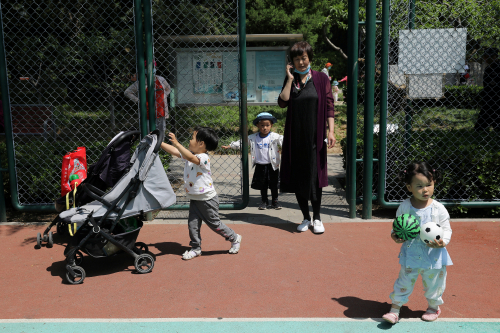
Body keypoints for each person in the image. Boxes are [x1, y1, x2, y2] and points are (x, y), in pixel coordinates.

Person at [382, 161, 453, 325]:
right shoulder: (405, 207)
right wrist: (395, 236)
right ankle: (394, 310)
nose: (425, 189)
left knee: (434, 285)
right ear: (409, 188)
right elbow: (398, 226)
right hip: (411, 254)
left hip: (434, 257)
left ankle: (433, 307)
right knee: (403, 282)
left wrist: (443, 242)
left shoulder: (439, 209)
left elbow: (447, 229)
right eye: (419, 186)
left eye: (429, 184)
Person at [278, 41, 335, 234]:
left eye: (304, 58)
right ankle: (305, 217)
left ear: (310, 57)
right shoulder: (292, 80)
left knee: (315, 178)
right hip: (295, 138)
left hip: (315, 137)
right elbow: (282, 102)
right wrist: (288, 78)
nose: (301, 62)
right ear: (292, 62)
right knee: (299, 176)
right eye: (297, 59)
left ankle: (317, 218)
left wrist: (331, 131)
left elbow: (329, 106)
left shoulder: (320, 79)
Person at [160, 126, 242, 260]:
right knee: (192, 225)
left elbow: (191, 158)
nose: (190, 140)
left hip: (207, 200)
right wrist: (159, 143)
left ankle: (234, 237)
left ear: (201, 143)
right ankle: (196, 248)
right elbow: (175, 152)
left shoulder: (203, 157)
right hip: (195, 199)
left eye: (192, 138)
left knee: (214, 224)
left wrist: (177, 143)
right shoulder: (189, 155)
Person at [222, 112, 284, 210]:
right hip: (260, 165)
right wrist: (231, 145)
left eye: (267, 125)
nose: (265, 128)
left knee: (274, 184)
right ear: (257, 125)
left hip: (272, 165)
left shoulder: (274, 136)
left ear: (271, 125)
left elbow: (283, 140)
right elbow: (242, 142)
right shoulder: (253, 137)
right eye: (262, 125)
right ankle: (264, 201)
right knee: (263, 185)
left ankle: (275, 201)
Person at [125, 60, 171, 134]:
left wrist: (163, 98)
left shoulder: (161, 79)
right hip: (147, 113)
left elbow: (168, 89)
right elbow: (127, 92)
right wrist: (138, 100)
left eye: (153, 67)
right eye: (147, 67)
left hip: (161, 112)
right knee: (149, 134)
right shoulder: (141, 82)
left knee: (161, 135)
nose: (150, 69)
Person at [474, 47, 500, 131]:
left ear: (495, 56)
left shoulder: (498, 67)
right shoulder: (488, 69)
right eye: (485, 56)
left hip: (497, 98)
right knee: (480, 126)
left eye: (489, 56)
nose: (486, 58)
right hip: (489, 99)